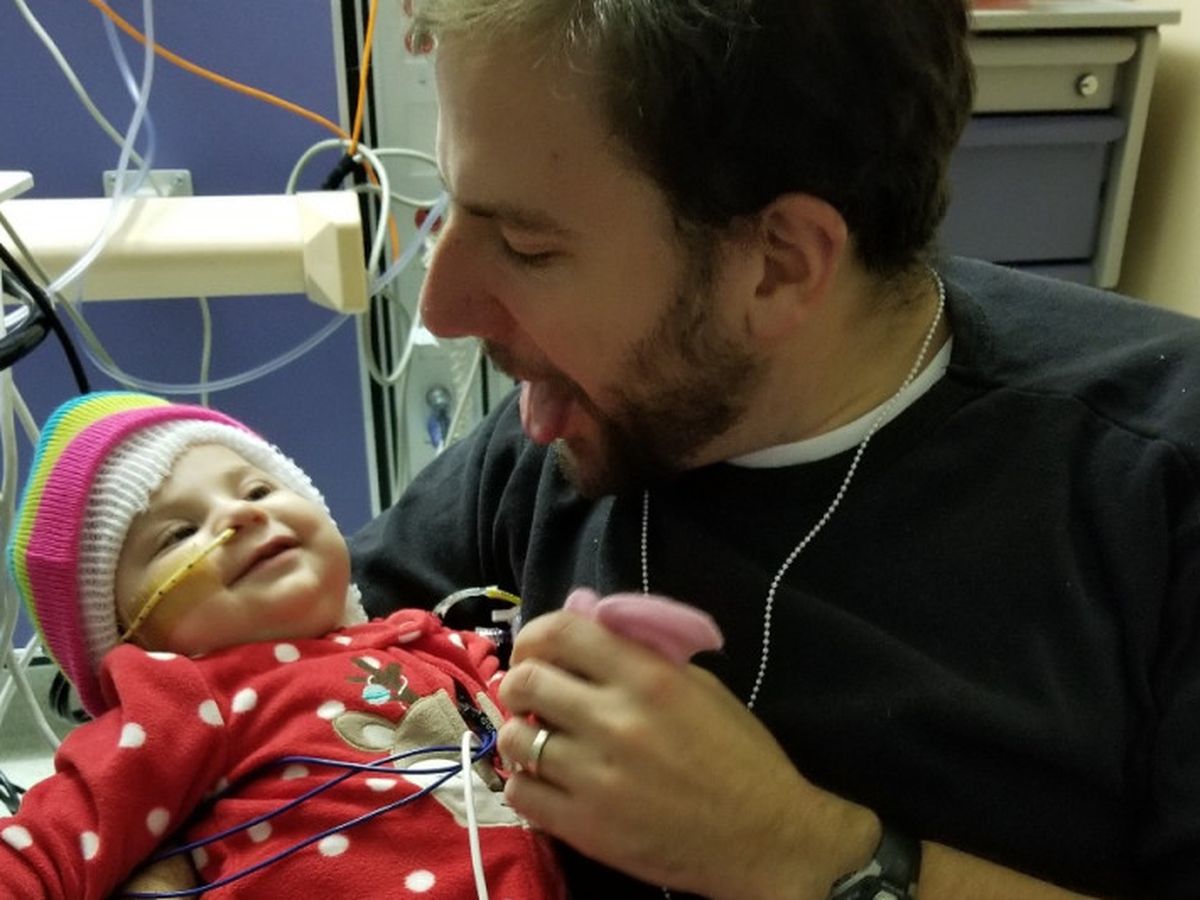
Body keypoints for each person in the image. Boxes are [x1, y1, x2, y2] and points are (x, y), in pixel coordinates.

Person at [347, 1, 1200, 898]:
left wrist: (802, 850)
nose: (441, 308)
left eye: (528, 247)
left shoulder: (1158, 486)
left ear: (781, 265)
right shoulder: (570, 418)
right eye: (453, 205)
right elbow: (307, 658)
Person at [0, 391, 566, 899]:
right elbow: (40, 851)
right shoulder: (179, 703)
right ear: (127, 639)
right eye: (179, 534)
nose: (240, 513)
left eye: (259, 489)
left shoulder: (431, 641)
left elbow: (550, 734)